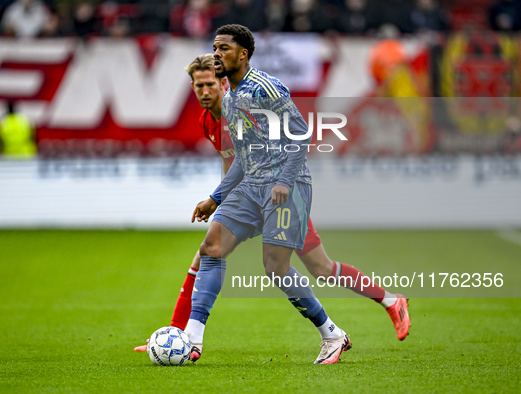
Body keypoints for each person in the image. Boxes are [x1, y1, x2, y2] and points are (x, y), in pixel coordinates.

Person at [134, 49, 411, 354]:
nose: (204, 91)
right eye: (198, 86)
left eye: (210, 84)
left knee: (320, 268)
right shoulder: (207, 121)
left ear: (223, 83)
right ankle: (185, 337)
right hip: (249, 199)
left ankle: (383, 303)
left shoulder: (239, 111)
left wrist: (218, 198)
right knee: (209, 252)